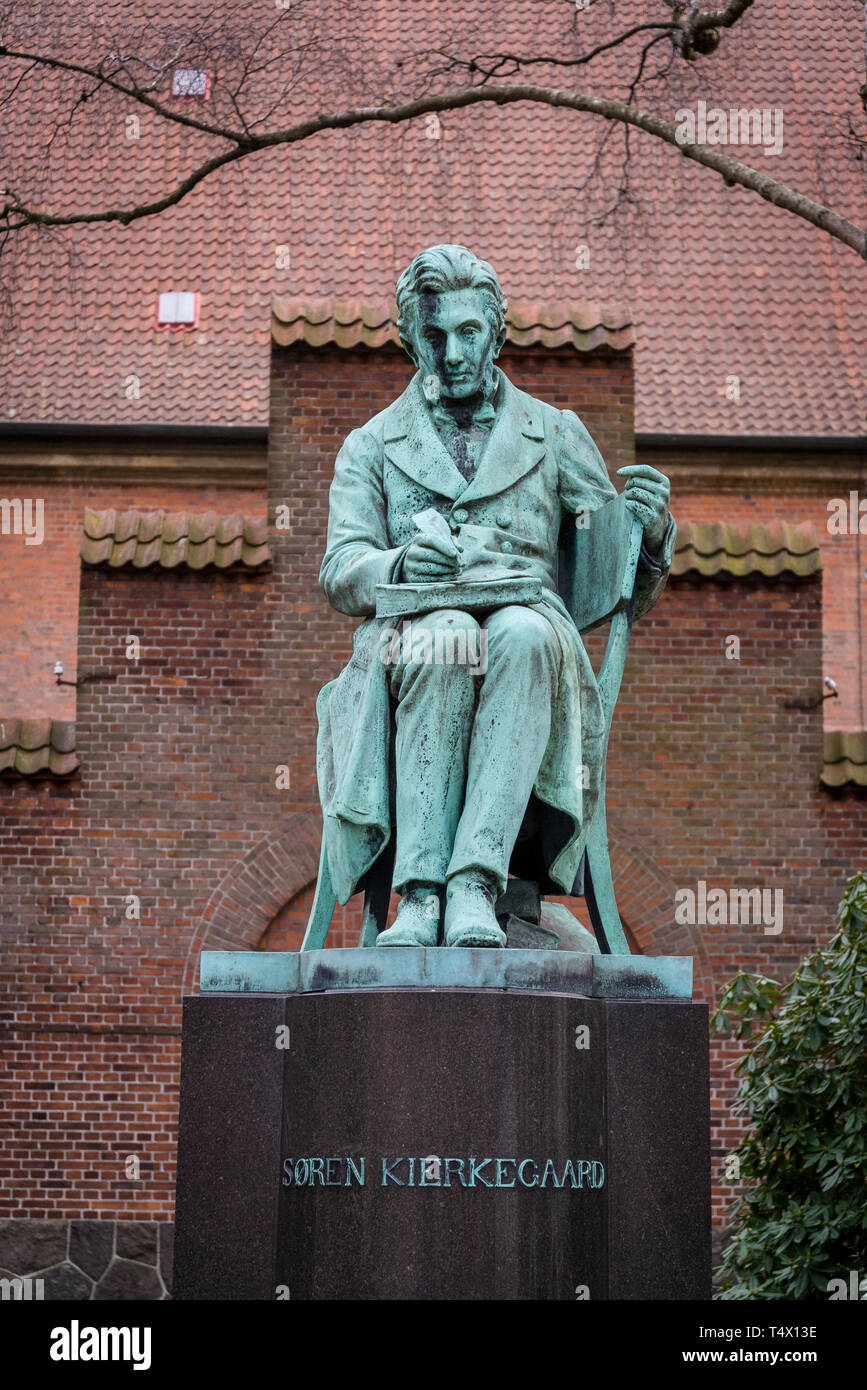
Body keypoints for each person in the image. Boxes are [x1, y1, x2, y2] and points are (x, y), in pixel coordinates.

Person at [316, 245, 674, 948]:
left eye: (468, 332)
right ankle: (418, 896)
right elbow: (341, 568)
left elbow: (609, 564)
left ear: (496, 332)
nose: (452, 352)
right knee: (443, 633)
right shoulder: (370, 444)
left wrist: (651, 530)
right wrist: (397, 561)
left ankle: (475, 882)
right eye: (432, 335)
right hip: (410, 642)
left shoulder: (554, 432)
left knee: (522, 632)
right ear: (407, 341)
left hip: (529, 638)